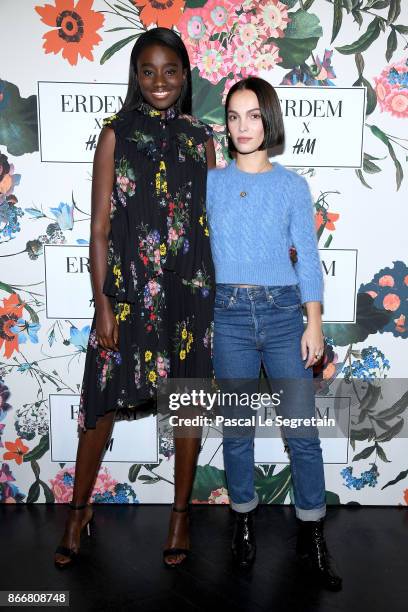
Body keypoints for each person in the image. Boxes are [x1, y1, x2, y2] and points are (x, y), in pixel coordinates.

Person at [54, 27, 216, 569]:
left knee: (187, 402)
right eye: (148, 71)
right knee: (99, 403)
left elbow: (213, 221)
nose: (160, 81)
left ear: (185, 74)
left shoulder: (202, 137)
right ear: (135, 76)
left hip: (188, 293)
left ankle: (179, 517)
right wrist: (102, 302)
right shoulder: (115, 135)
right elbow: (99, 228)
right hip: (126, 295)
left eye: (170, 70)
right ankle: (78, 511)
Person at [206, 77, 342, 591]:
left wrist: (313, 321)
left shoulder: (291, 185)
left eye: (254, 116)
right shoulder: (212, 182)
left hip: (286, 316)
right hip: (229, 317)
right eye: (235, 116)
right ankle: (242, 521)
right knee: (237, 432)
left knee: (303, 435)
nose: (243, 127)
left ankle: (312, 533)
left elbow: (307, 257)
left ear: (270, 120)